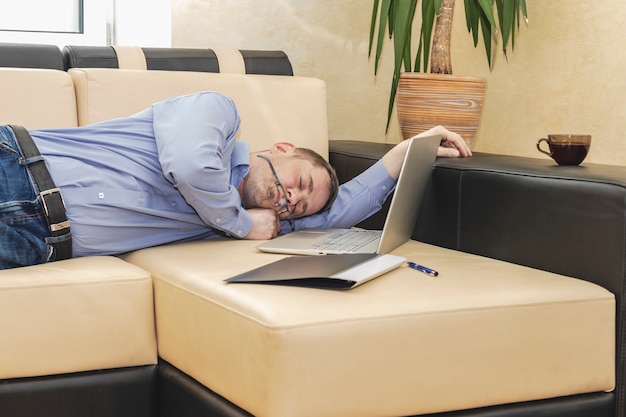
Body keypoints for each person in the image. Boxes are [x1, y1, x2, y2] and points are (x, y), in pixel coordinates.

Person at [0, 91, 470, 270]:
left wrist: (407, 150)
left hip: (32, 244)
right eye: (301, 182)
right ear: (282, 148)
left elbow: (341, 208)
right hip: (17, 170)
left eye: (299, 207)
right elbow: (189, 166)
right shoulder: (218, 113)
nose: (292, 200)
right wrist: (242, 224)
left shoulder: (256, 217)